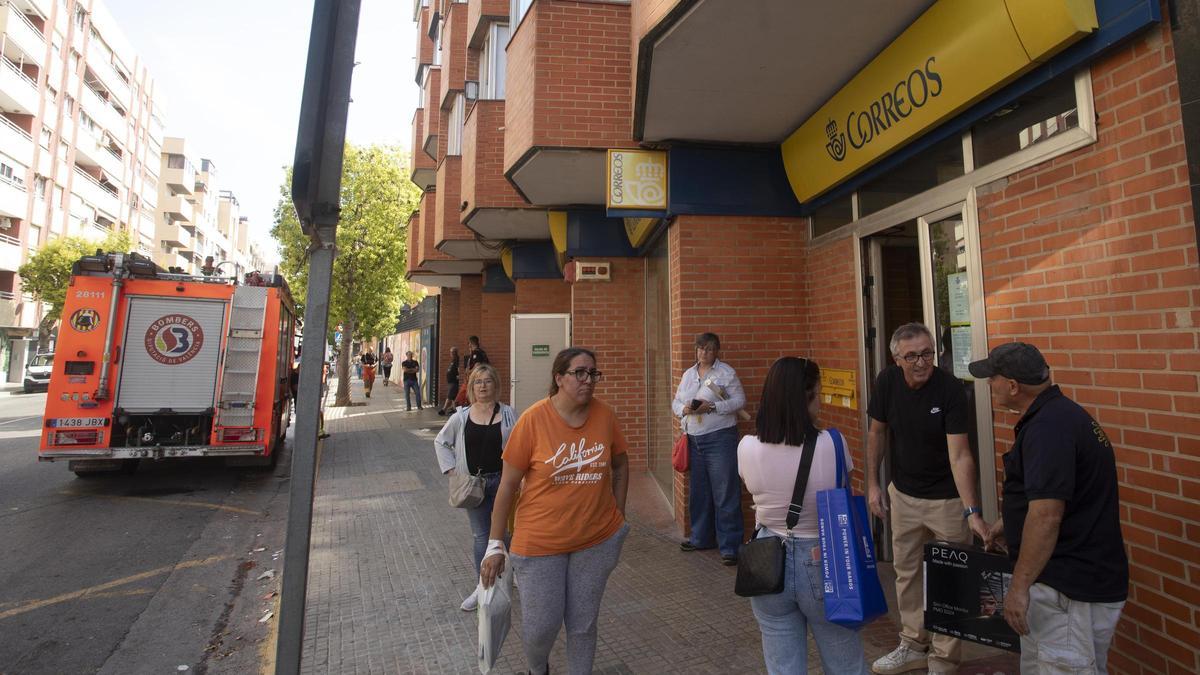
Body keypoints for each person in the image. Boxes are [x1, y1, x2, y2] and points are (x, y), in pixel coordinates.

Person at [970, 343, 1128, 674]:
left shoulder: (1047, 429)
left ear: (1013, 386)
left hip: (1067, 592)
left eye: (993, 378)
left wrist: (1018, 587)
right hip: (1071, 587)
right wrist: (1007, 524)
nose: (989, 385)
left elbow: (1047, 516)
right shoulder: (1058, 415)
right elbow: (1049, 499)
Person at [480, 348, 630, 675]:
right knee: (540, 627)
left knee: (582, 625)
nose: (588, 380)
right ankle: (538, 670)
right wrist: (494, 544)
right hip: (539, 544)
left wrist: (619, 518)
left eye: (593, 373)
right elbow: (507, 487)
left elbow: (620, 463)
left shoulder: (605, 416)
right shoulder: (533, 420)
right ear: (558, 378)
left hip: (596, 541)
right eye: (580, 373)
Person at [865, 323, 989, 675]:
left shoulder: (949, 389)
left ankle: (944, 659)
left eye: (928, 353)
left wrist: (971, 511)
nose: (922, 362)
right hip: (903, 495)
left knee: (950, 577)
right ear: (896, 358)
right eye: (913, 356)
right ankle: (913, 644)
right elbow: (877, 432)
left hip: (947, 500)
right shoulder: (887, 382)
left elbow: (960, 455)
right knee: (906, 574)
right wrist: (874, 484)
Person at [739, 356, 870, 675]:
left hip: (768, 560)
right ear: (807, 396)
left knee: (783, 666)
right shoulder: (834, 443)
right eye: (818, 393)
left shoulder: (747, 447)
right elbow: (843, 492)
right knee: (845, 663)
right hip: (825, 559)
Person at [434, 363, 518, 611]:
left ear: (496, 385)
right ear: (471, 387)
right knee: (482, 536)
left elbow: (522, 444)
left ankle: (507, 575)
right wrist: (452, 471)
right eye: (478, 382)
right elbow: (441, 442)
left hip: (504, 482)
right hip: (474, 486)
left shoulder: (510, 413)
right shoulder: (461, 416)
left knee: (503, 534)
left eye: (487, 381)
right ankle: (483, 586)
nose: (483, 386)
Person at [671, 332, 746, 565]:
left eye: (710, 349)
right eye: (701, 348)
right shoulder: (688, 374)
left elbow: (739, 401)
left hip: (720, 438)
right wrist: (683, 409)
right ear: (696, 350)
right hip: (693, 439)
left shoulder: (726, 373)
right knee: (699, 493)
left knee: (725, 492)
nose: (705, 353)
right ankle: (701, 537)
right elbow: (675, 402)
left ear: (717, 352)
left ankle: (730, 547)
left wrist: (711, 406)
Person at [439, 346, 461, 415]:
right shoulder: (453, 360)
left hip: (454, 381)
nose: (451, 353)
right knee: (453, 397)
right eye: (451, 352)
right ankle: (455, 409)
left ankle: (443, 409)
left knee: (449, 396)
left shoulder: (457, 360)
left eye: (452, 352)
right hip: (451, 381)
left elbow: (459, 369)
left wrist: (459, 376)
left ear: (455, 352)